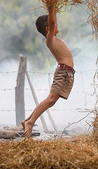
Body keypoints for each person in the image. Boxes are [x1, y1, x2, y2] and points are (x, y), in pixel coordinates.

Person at [21, 9, 75, 138]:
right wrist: (52, 6)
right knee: (50, 100)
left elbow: (52, 22)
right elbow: (52, 22)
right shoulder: (50, 39)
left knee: (52, 101)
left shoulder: (55, 39)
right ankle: (30, 122)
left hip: (67, 73)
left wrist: (53, 8)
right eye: (55, 24)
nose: (57, 25)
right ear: (48, 29)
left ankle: (27, 120)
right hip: (63, 72)